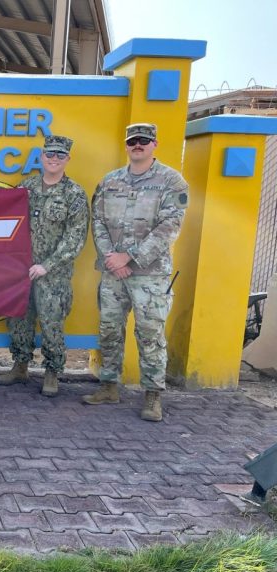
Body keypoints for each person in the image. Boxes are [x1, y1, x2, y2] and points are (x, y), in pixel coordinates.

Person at [82, 123, 188, 422]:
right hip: (113, 272)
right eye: (133, 141)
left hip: (150, 275)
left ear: (155, 144)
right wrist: (112, 259)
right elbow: (98, 221)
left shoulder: (171, 182)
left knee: (150, 334)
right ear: (127, 145)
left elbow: (170, 227)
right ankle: (108, 386)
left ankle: (153, 396)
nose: (138, 145)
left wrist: (130, 257)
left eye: (144, 140)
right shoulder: (109, 182)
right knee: (109, 330)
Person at [0, 135, 88, 396]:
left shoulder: (74, 194)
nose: (54, 159)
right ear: (41, 157)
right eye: (49, 155)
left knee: (51, 323)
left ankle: (52, 372)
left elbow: (76, 237)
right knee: (18, 320)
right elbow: (7, 222)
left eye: (60, 155)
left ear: (68, 159)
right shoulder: (25, 188)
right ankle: (20, 365)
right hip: (22, 271)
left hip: (53, 275)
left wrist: (47, 265)